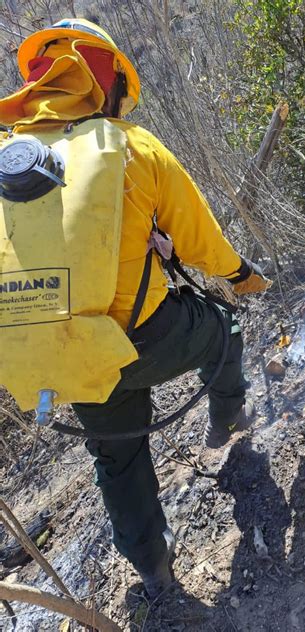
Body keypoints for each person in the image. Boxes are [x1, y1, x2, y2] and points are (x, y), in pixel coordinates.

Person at [0, 18, 269, 599]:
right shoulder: (130, 145)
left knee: (116, 456)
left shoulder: (6, 157)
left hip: (57, 358)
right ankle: (227, 417)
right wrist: (243, 277)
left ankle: (153, 570)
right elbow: (203, 243)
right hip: (143, 336)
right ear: (108, 80)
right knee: (223, 329)